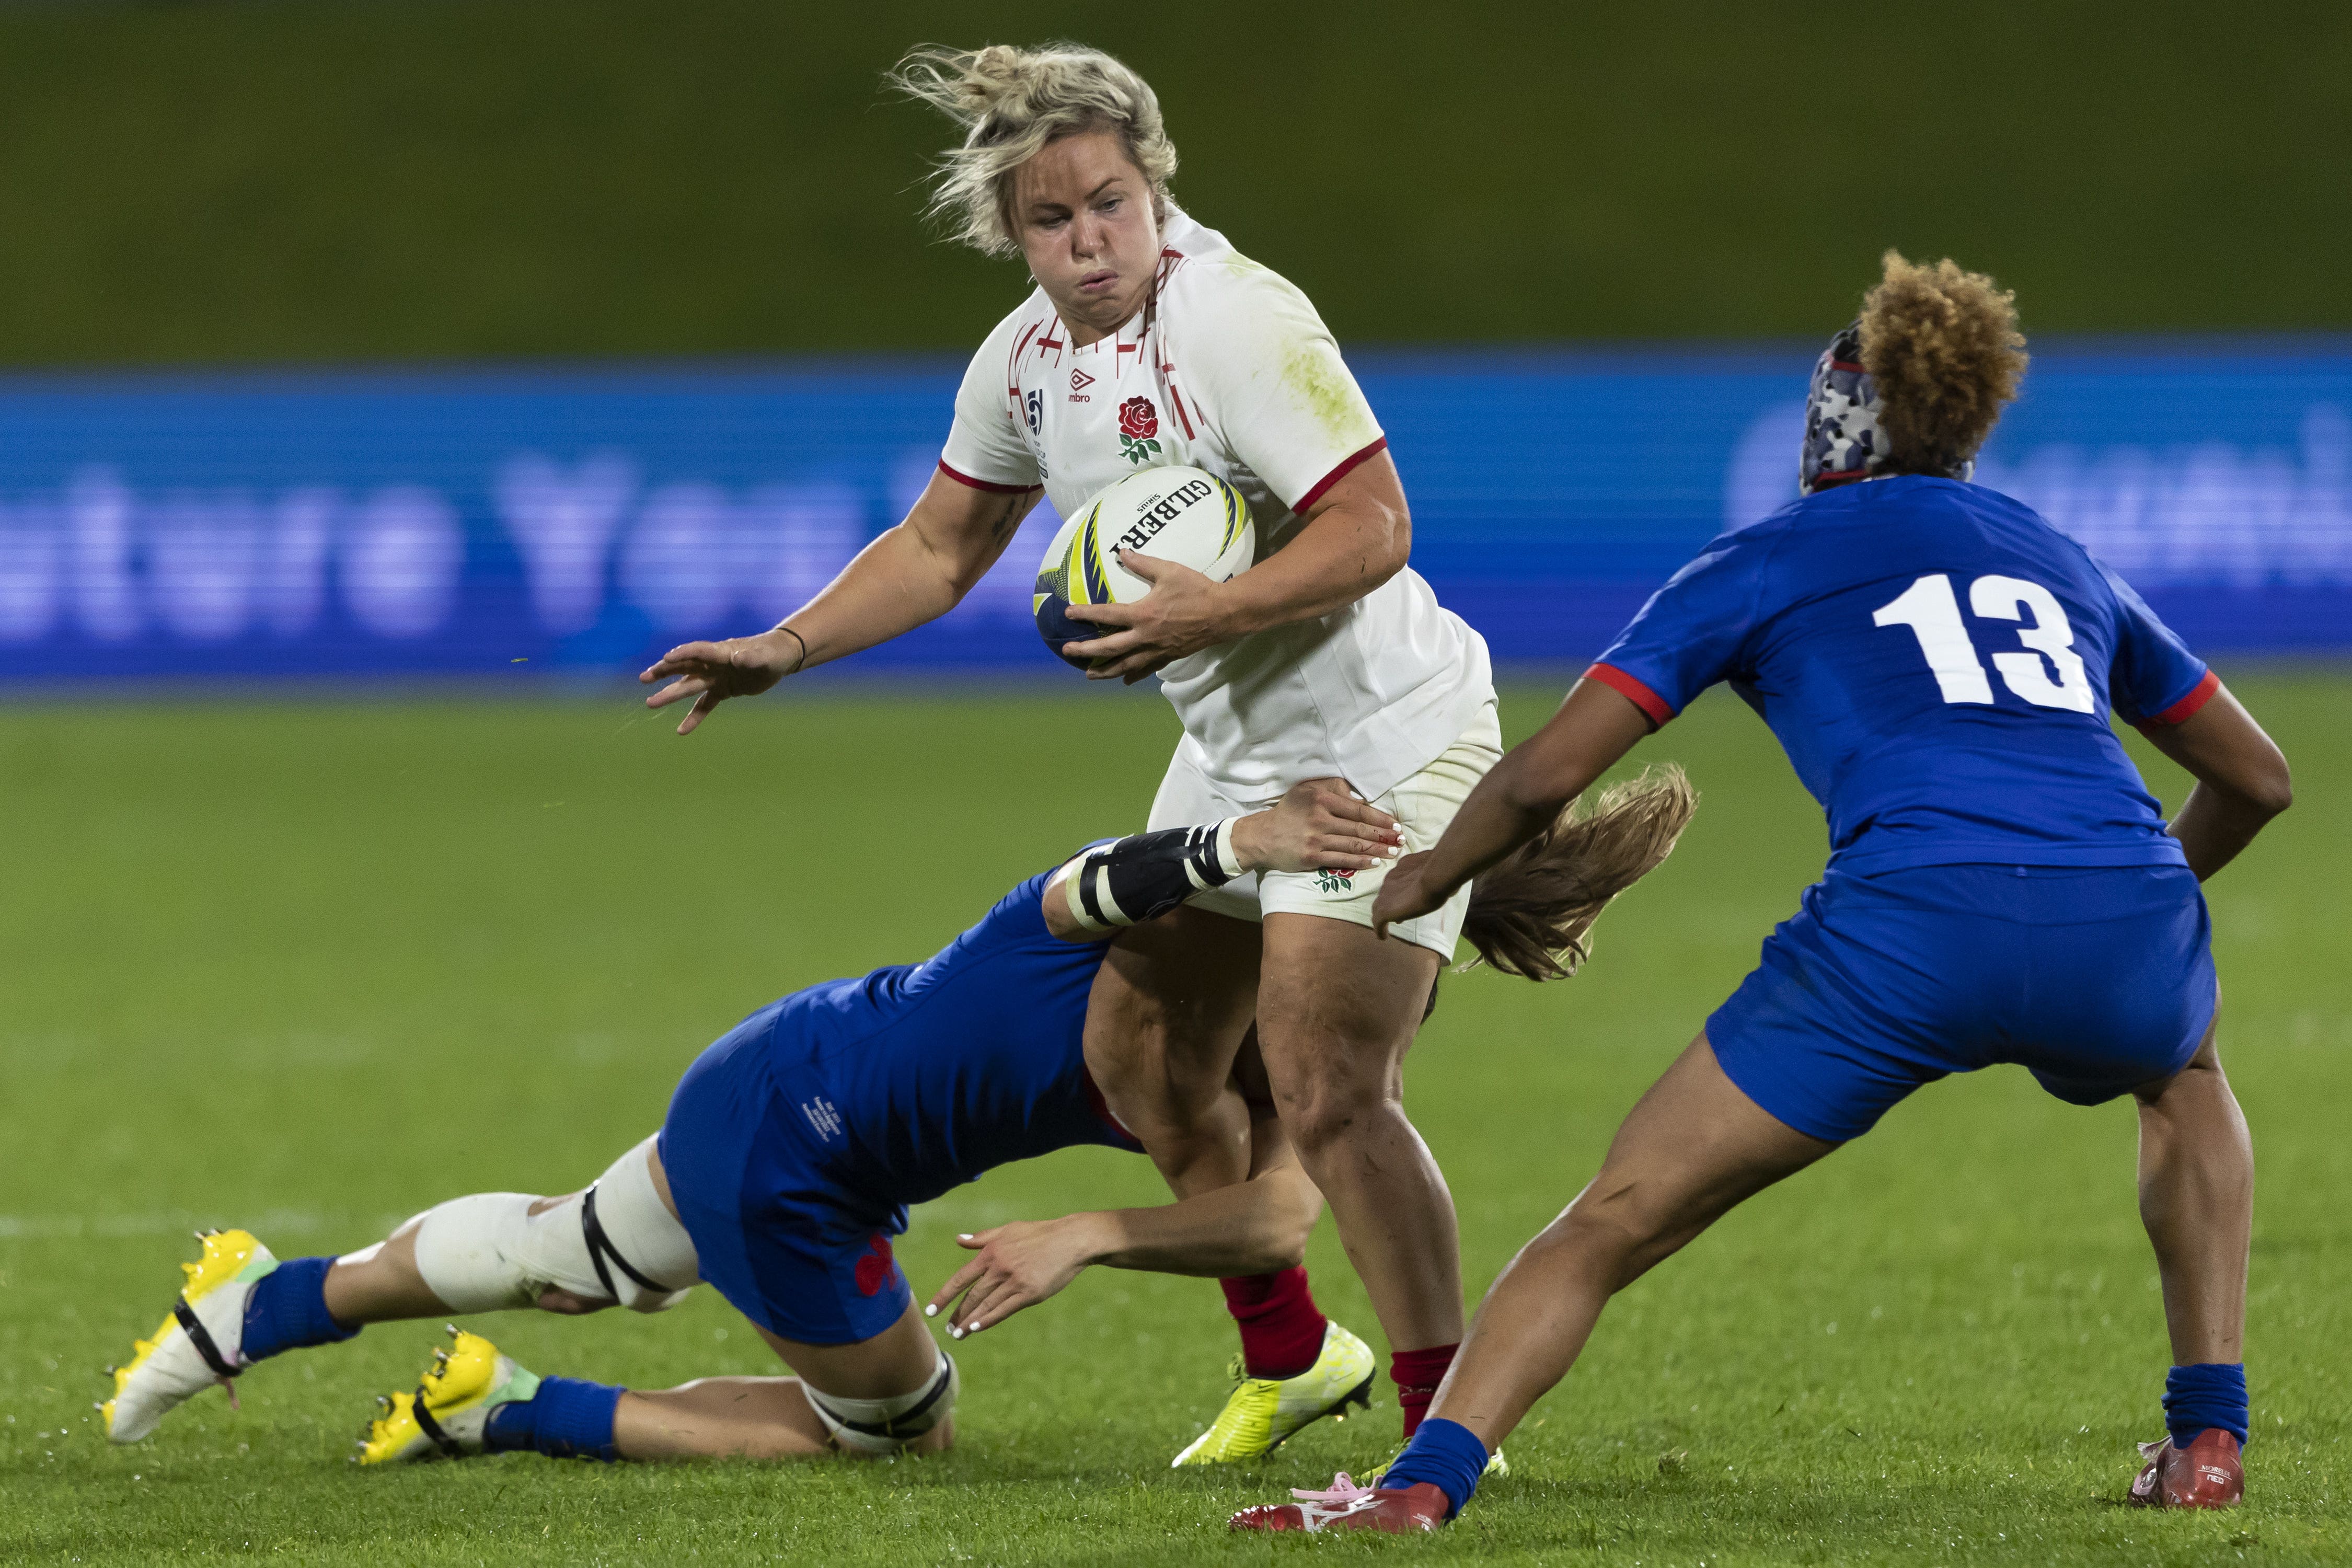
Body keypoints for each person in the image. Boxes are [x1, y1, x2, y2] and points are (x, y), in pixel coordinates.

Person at [1232, 252, 2292, 1533]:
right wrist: (2134, 892)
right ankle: (2209, 1444)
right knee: (2185, 1084)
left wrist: (1427, 878)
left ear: (1831, 422)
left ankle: (1419, 1490)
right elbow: (2259, 779)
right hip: (2121, 916)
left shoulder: (1757, 561)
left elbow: (1545, 775)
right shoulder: (2057, 555)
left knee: (1612, 1222)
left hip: (1909, 931)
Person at [637, 42, 1502, 1461]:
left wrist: (1212, 609)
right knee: (1141, 1051)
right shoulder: (1026, 363)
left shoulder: (1237, 322)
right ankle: (1289, 1358)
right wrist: (783, 649)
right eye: (1050, 220)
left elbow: (1376, 528)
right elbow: (938, 543)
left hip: (1386, 735)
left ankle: (1445, 1430)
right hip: (1234, 751)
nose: (1087, 240)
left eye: (1108, 202)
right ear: (1010, 231)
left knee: (1330, 1089)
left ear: (1154, 185)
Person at [101, 776, 1690, 1467]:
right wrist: (1241, 833)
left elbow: (1279, 1220)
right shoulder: (1106, 934)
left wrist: (1092, 1234)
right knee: (892, 1437)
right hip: (796, 1168)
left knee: (572, 1243)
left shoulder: (1246, 1046)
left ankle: (263, 1296)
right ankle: (510, 1409)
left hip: (773, 1065)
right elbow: (1127, 876)